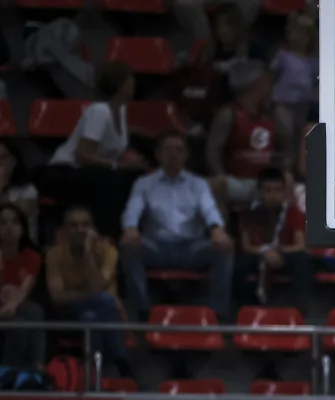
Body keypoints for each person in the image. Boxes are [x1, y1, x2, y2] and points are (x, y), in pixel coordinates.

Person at [121, 133, 234, 321]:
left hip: (192, 247)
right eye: (168, 149)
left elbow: (209, 209)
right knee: (129, 247)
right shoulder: (144, 183)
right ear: (158, 155)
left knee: (224, 248)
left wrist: (216, 228)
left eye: (179, 150)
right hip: (156, 246)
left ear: (186, 155)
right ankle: (141, 311)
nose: (173, 154)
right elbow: (133, 208)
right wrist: (130, 228)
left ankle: (218, 313)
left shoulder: (198, 184)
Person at [39, 62, 143, 240]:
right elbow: (83, 155)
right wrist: (117, 165)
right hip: (64, 172)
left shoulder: (121, 109)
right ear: (120, 84)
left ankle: (133, 233)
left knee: (136, 178)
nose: (134, 83)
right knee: (110, 179)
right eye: (130, 79)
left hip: (93, 173)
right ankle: (108, 237)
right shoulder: (100, 110)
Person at [46, 205, 133, 379]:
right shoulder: (54, 255)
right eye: (74, 225)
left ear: (93, 229)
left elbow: (96, 287)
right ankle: (120, 363)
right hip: (69, 314)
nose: (80, 230)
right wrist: (94, 296)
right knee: (105, 300)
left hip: (100, 314)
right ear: (65, 231)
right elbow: (57, 298)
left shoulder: (108, 252)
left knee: (91, 317)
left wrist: (88, 255)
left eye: (85, 225)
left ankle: (95, 373)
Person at [207, 60, 282, 212]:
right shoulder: (229, 114)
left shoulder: (271, 115)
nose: (270, 87)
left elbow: (283, 149)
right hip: (238, 181)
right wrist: (219, 174)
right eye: (266, 82)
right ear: (255, 85)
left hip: (267, 182)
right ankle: (222, 232)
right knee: (215, 186)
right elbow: (212, 150)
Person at [235, 167, 311, 309]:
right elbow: (246, 247)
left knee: (302, 260)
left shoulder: (293, 212)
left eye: (277, 190)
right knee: (240, 265)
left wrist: (278, 251)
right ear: (260, 191)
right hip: (259, 255)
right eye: (268, 190)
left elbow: (300, 246)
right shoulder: (249, 214)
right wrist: (265, 252)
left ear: (283, 192)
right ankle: (246, 311)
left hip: (285, 255)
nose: (273, 195)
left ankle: (299, 311)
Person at [0, 204, 45, 371]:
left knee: (33, 311)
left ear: (23, 228)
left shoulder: (32, 257)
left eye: (14, 222)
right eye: (3, 222)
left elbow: (23, 291)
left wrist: (9, 307)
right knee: (17, 324)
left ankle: (37, 367)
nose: (9, 228)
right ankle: (6, 373)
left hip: (11, 309)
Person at [270, 10, 318, 156]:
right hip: (283, 102)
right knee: (286, 133)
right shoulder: (283, 56)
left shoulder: (313, 61)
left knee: (299, 135)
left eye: (302, 34)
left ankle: (297, 164)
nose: (297, 37)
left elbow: (316, 82)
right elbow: (272, 76)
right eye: (294, 32)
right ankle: (286, 164)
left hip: (303, 104)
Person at [0, 143, 39, 244]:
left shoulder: (27, 190)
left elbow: (16, 216)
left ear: (13, 162)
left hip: (21, 244)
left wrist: (2, 182)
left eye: (3, 157)